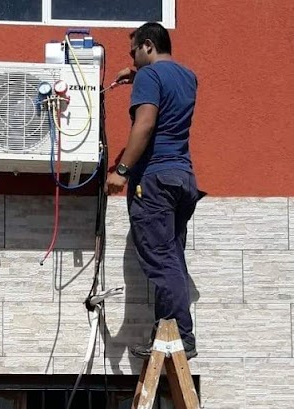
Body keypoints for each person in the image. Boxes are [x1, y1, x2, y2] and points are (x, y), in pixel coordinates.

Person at [104, 22, 205, 360]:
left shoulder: (151, 78)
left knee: (160, 261)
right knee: (171, 258)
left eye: (134, 51)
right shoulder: (187, 76)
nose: (131, 57)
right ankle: (167, 334)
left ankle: (180, 338)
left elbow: (145, 124)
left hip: (155, 182)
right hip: (182, 179)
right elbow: (168, 95)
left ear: (147, 45)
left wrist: (121, 171)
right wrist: (137, 75)